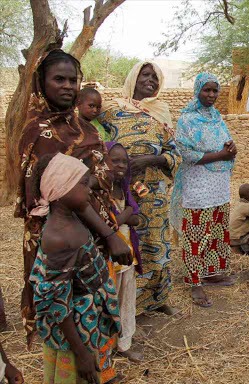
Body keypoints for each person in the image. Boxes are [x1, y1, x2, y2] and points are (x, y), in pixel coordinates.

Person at [15, 50, 130, 377]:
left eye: (73, 80)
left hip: (94, 230)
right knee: (67, 305)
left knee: (94, 304)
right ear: (42, 82)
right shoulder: (38, 132)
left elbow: (101, 175)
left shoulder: (87, 128)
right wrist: (108, 233)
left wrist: (105, 222)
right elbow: (60, 193)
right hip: (64, 233)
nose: (67, 86)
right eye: (59, 79)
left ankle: (100, 369)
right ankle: (78, 366)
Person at [29, 153, 121, 384]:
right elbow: (56, 302)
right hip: (76, 332)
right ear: (61, 190)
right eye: (82, 184)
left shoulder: (70, 219)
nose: (89, 190)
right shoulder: (60, 237)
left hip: (87, 321)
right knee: (79, 376)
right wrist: (80, 353)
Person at [98, 61, 179, 316]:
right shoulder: (110, 111)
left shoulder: (160, 112)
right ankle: (126, 308)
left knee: (158, 244)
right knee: (127, 244)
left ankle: (158, 299)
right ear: (134, 78)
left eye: (155, 77)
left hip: (154, 193)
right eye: (145, 75)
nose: (150, 81)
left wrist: (151, 160)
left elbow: (174, 154)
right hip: (121, 194)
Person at [171, 72, 235, 308]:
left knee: (217, 228)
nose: (211, 95)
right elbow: (186, 153)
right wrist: (220, 154)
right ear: (197, 90)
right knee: (196, 232)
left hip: (218, 183)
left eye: (214, 90)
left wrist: (231, 146)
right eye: (206, 90)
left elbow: (226, 141)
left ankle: (212, 272)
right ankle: (194, 281)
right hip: (198, 183)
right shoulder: (186, 120)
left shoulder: (217, 117)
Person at [106, 142, 144, 363]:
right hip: (110, 257)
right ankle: (107, 347)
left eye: (124, 161)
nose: (120, 165)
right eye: (114, 160)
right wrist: (127, 212)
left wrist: (128, 214)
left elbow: (137, 219)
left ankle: (124, 343)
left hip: (127, 255)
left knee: (126, 299)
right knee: (109, 301)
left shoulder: (124, 187)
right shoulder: (100, 191)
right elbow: (108, 224)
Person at [230, 184, 249, 254]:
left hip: (231, 237)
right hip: (238, 239)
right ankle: (248, 250)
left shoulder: (239, 204)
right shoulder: (247, 207)